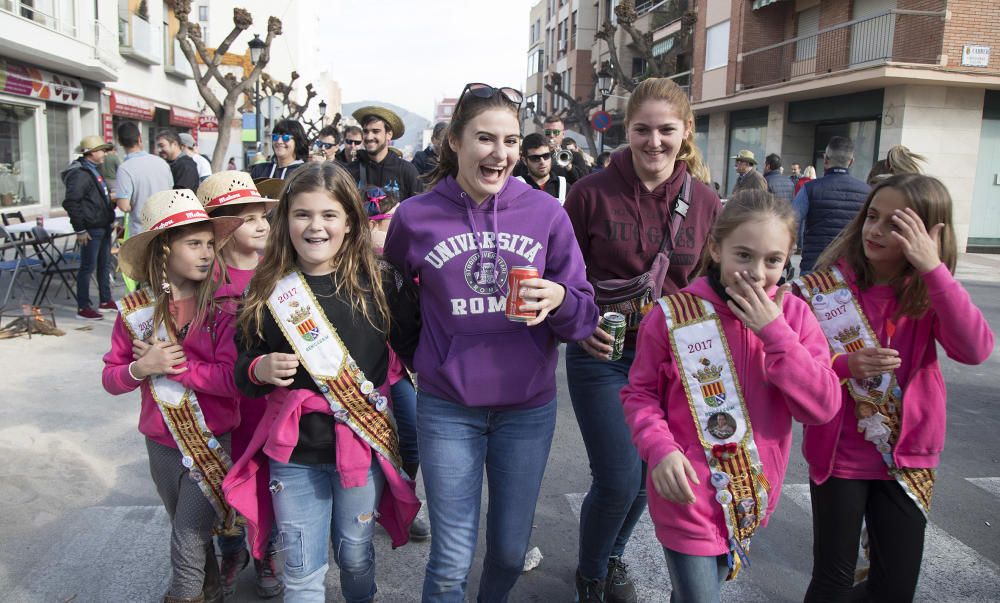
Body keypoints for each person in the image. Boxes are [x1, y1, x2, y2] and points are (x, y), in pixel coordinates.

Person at [383, 82, 598, 601]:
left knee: (507, 551)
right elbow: (395, 305)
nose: (500, 154)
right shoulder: (414, 216)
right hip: (448, 408)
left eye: (510, 141)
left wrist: (560, 299)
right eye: (485, 138)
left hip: (527, 409)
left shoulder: (547, 214)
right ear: (455, 140)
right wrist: (428, 362)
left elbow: (584, 318)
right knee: (451, 555)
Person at [621, 189, 840, 601]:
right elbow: (641, 394)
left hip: (750, 493)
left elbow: (822, 406)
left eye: (772, 260)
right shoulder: (674, 314)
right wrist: (660, 449)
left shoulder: (794, 317)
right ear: (716, 249)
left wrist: (774, 334)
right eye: (744, 255)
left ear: (788, 258)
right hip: (686, 490)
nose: (757, 272)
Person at [224, 161, 422, 602]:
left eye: (329, 215)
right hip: (292, 453)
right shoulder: (267, 288)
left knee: (355, 557)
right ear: (285, 221)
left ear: (350, 222)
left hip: (361, 447)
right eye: (302, 214)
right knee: (300, 572)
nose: (316, 226)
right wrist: (258, 370)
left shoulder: (380, 282)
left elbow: (417, 347)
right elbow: (243, 367)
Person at [794, 174, 994, 602]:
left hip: (908, 453)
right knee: (832, 578)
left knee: (895, 586)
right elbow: (798, 367)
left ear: (926, 234)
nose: (875, 230)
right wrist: (845, 364)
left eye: (894, 224)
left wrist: (932, 268)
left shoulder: (929, 292)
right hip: (841, 451)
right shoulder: (827, 289)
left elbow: (975, 349)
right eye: (872, 216)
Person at [563, 76, 722, 603]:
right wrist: (579, 326)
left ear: (686, 132)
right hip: (602, 354)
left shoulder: (705, 202)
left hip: (671, 362)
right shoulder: (589, 193)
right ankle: (591, 572)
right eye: (642, 130)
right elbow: (561, 276)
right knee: (617, 475)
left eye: (666, 131)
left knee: (647, 475)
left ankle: (611, 557)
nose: (654, 142)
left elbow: (711, 285)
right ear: (626, 132)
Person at [102, 189, 244, 603]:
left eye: (208, 244)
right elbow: (111, 377)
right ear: (165, 250)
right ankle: (212, 591)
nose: (206, 253)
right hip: (160, 443)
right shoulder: (134, 312)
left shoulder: (222, 307)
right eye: (193, 244)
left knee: (188, 532)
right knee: (188, 529)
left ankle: (183, 596)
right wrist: (139, 369)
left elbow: (233, 378)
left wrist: (176, 368)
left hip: (214, 439)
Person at [195, 171, 285, 598]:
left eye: (263, 216)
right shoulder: (203, 281)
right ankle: (232, 549)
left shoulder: (281, 270)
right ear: (222, 227)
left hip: (271, 401)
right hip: (223, 404)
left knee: (271, 479)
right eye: (249, 218)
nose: (263, 225)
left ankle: (269, 549)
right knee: (228, 480)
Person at [363, 185, 429, 542]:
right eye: (373, 222)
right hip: (354, 370)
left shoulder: (405, 266)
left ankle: (403, 502)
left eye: (385, 222)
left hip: (398, 367)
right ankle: (366, 505)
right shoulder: (345, 267)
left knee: (412, 441)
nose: (378, 230)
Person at [792, 136, 871, 274]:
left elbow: (792, 221)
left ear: (826, 159)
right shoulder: (867, 191)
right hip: (850, 268)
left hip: (815, 266)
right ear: (851, 162)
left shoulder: (809, 188)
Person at [62, 135, 119, 320]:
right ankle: (83, 307)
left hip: (102, 226)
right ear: (92, 153)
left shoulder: (93, 170)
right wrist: (80, 229)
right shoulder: (80, 173)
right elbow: (71, 202)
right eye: (102, 150)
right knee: (87, 267)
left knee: (104, 264)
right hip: (90, 229)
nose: (105, 153)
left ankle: (105, 300)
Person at [347, 106, 422, 201]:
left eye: (375, 131)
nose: (369, 137)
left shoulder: (407, 171)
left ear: (389, 134)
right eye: (366, 131)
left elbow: (417, 210)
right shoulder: (350, 171)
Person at [114, 121, 174, 237]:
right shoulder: (162, 163)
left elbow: (124, 206)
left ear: (120, 142)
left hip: (141, 231)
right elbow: (170, 192)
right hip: (166, 226)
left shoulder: (125, 169)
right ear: (139, 138)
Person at [515, 132, 568, 204]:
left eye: (546, 156)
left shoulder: (564, 186)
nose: (542, 162)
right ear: (524, 160)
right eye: (535, 158)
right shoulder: (515, 187)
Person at [541, 115, 589, 184]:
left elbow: (584, 181)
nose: (551, 135)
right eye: (547, 132)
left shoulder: (575, 156)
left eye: (555, 132)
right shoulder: (537, 156)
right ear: (543, 134)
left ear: (563, 134)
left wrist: (569, 166)